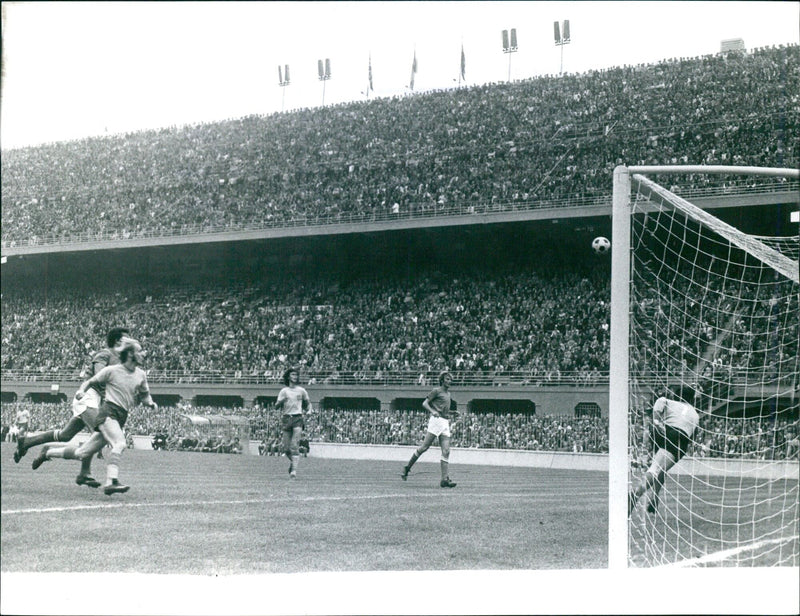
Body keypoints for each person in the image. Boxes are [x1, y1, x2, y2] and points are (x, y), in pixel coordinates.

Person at [32, 339, 157, 496]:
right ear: (130, 354)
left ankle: (47, 452)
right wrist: (82, 392)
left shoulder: (141, 375)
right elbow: (89, 382)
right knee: (119, 443)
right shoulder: (112, 370)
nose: (144, 354)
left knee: (82, 453)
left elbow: (145, 396)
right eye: (140, 351)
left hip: (120, 417)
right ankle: (111, 481)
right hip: (108, 413)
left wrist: (151, 404)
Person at [14, 326, 132, 489]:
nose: (130, 342)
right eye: (127, 339)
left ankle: (27, 442)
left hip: (95, 401)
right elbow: (99, 376)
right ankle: (84, 473)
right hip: (87, 397)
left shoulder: (120, 360)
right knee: (100, 432)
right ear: (118, 340)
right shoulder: (105, 354)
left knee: (65, 435)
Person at [628, 389, 700, 515]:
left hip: (662, 432)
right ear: (692, 399)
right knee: (656, 469)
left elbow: (660, 401)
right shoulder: (695, 415)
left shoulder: (669, 401)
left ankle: (654, 497)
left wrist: (656, 420)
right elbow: (693, 437)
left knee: (659, 468)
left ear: (676, 395)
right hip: (679, 439)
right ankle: (634, 495)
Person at [401, 371, 457, 488]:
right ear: (442, 380)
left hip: (445, 422)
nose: (449, 381)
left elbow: (443, 409)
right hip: (436, 422)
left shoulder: (448, 394)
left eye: (450, 379)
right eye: (447, 379)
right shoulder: (436, 391)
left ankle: (444, 479)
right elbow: (425, 403)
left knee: (446, 451)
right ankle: (407, 468)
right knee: (424, 447)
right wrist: (433, 411)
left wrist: (452, 413)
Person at [275, 367, 312, 478]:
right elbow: (276, 406)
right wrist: (281, 401)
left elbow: (308, 403)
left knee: (294, 446)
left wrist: (309, 410)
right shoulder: (284, 391)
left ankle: (294, 472)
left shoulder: (301, 390)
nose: (295, 377)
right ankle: (293, 462)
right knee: (286, 449)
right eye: (292, 375)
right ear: (288, 377)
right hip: (286, 418)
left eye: (296, 375)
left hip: (297, 418)